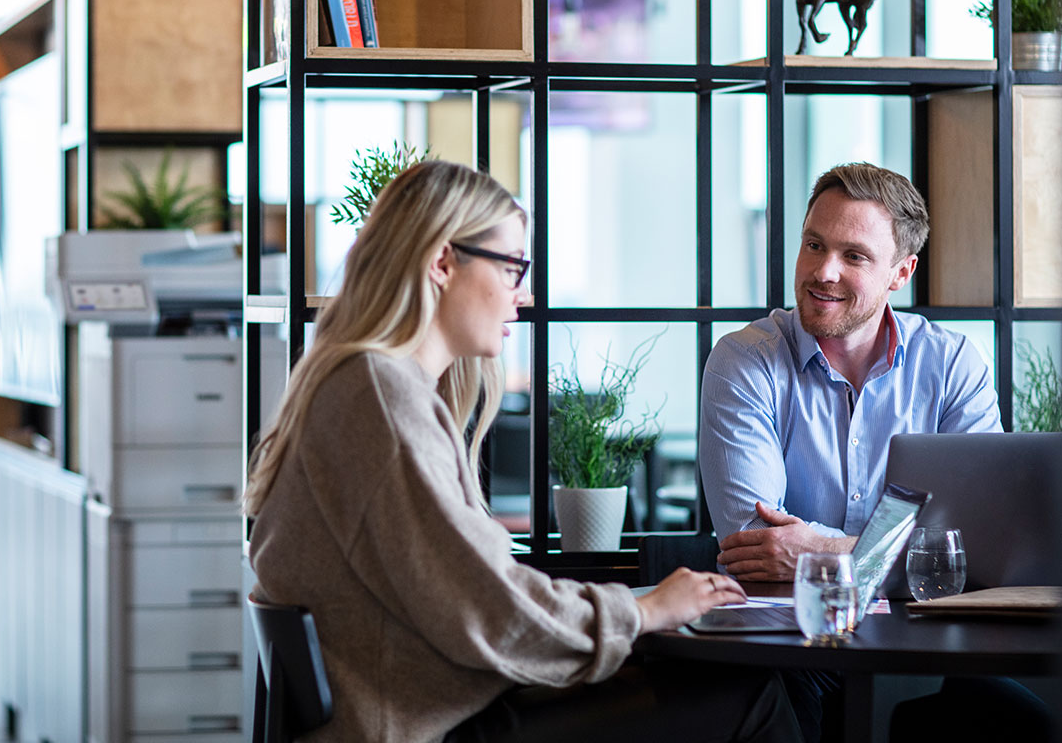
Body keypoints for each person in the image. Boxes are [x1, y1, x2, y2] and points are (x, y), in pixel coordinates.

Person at [246, 160, 802, 743]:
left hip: (425, 706)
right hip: (431, 726)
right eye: (512, 267)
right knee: (749, 693)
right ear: (442, 262)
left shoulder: (361, 386)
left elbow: (472, 591)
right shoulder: (381, 399)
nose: (524, 292)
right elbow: (488, 608)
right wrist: (642, 613)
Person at [699, 161, 1001, 583]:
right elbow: (753, 542)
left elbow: (982, 538)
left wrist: (822, 551)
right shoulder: (743, 361)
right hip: (784, 632)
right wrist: (911, 553)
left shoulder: (952, 365)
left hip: (923, 630)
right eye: (814, 245)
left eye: (854, 256)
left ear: (901, 273)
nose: (823, 272)